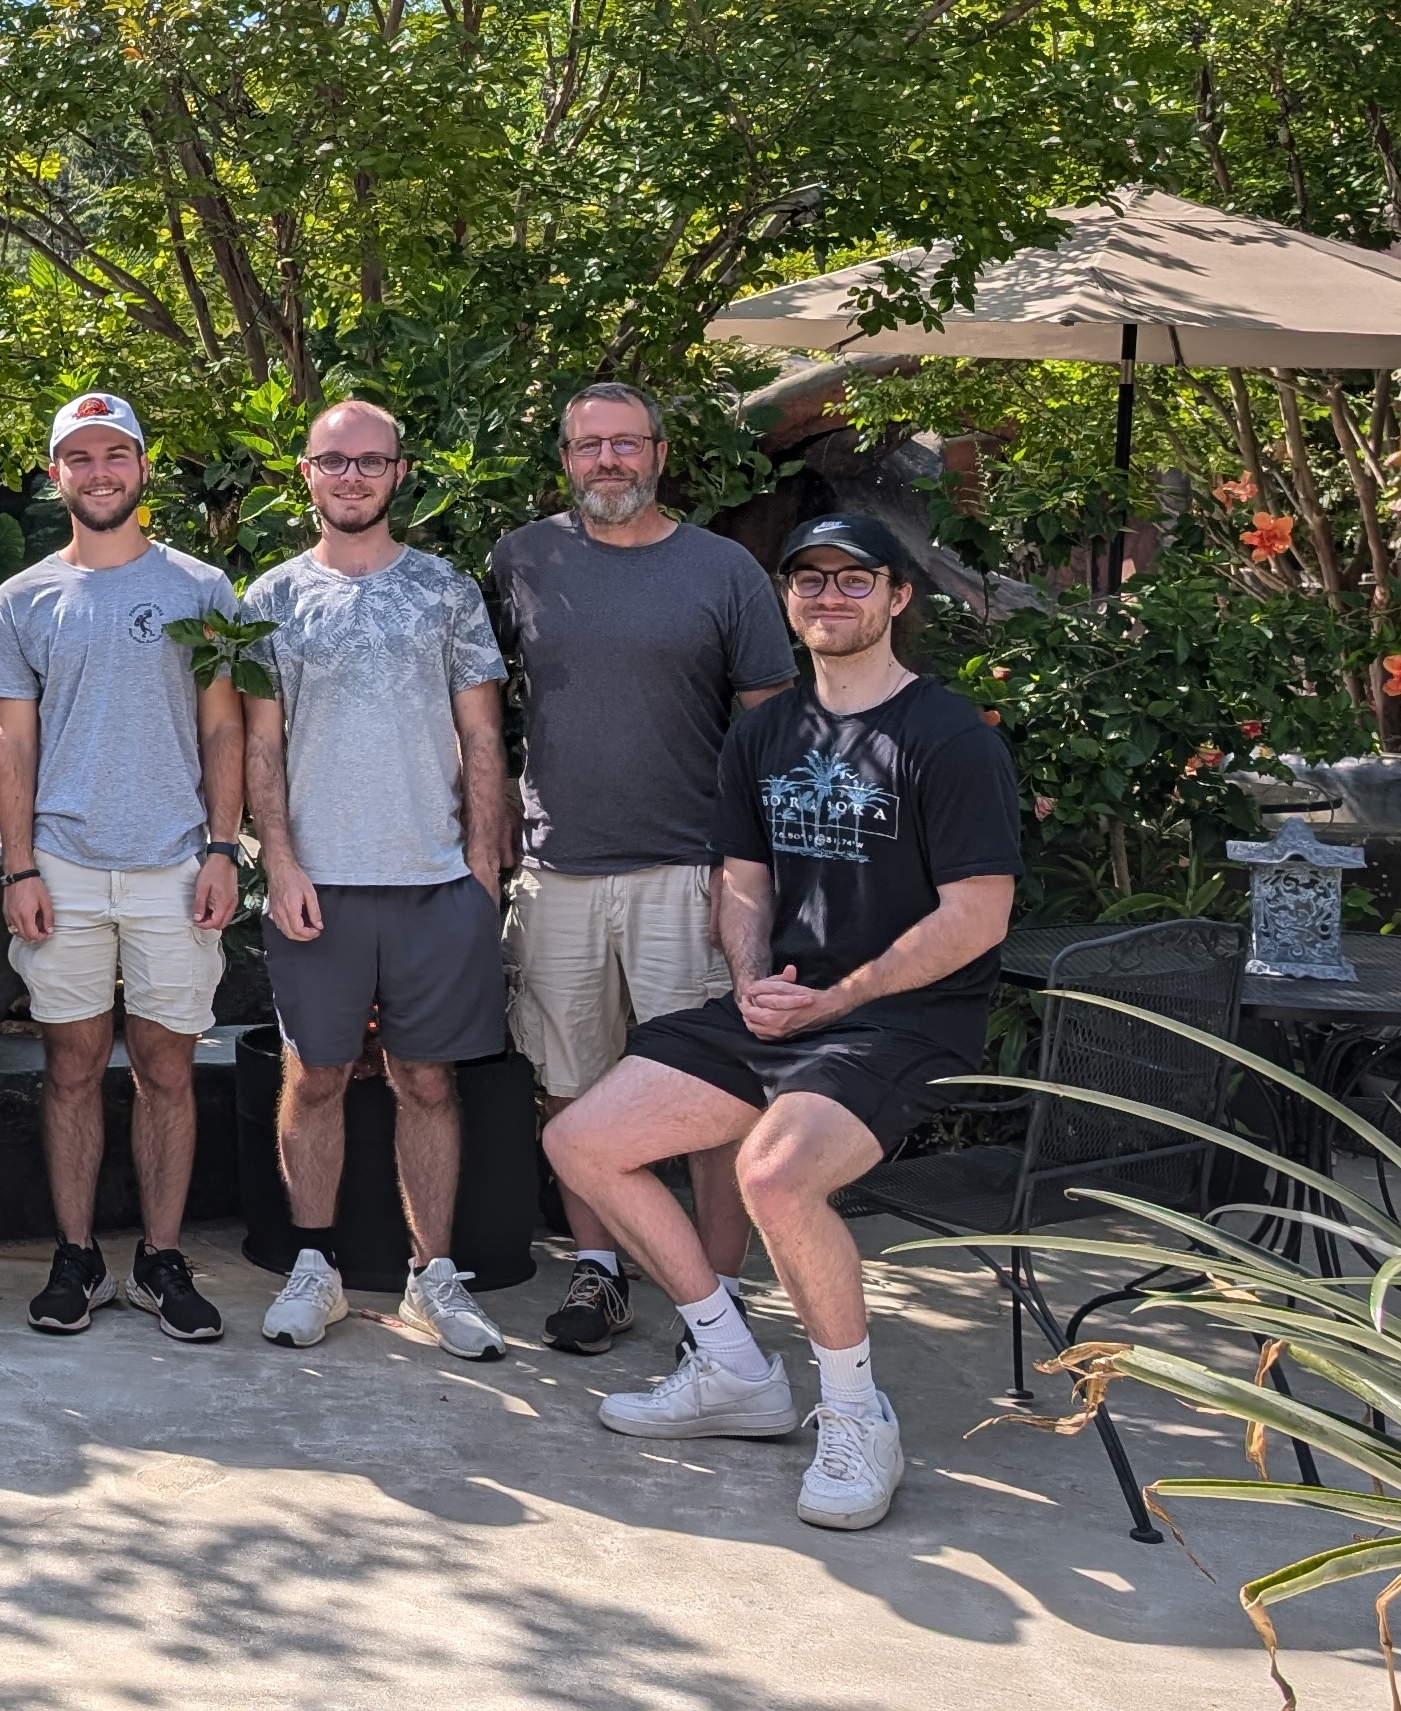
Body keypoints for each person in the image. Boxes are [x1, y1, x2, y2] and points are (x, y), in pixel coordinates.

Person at [548, 513, 1020, 1535]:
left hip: (902, 1022)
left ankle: (856, 1413)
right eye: (809, 580)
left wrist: (839, 999)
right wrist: (754, 979)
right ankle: (731, 1369)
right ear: (787, 599)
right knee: (582, 1140)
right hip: (783, 1008)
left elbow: (979, 915)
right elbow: (744, 879)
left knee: (772, 1173)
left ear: (899, 598)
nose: (829, 597)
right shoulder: (766, 730)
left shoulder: (946, 737)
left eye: (856, 581)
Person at [494, 379, 797, 1354]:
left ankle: (719, 1296)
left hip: (688, 875)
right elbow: (479, 705)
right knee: (572, 1085)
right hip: (558, 874)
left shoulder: (725, 571)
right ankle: (600, 1272)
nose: (609, 461)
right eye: (590, 446)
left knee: (709, 1097)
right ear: (566, 460)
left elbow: (775, 730)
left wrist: (757, 869)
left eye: (628, 444)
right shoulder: (522, 560)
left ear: (661, 455)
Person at [244, 398, 513, 1360]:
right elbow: (259, 747)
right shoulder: (267, 599)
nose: (351, 476)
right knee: (313, 1076)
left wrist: (482, 869)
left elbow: (483, 735)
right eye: (332, 461)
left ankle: (432, 1277)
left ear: (400, 472)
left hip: (435, 880)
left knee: (428, 1081)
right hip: (317, 881)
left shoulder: (445, 591)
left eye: (370, 461)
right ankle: (313, 1268)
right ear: (306, 473)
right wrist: (276, 861)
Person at [0, 389, 245, 1344]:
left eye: (115, 455)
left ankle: (162, 1261)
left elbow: (224, 725)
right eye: (79, 458)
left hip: (180, 863)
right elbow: (11, 743)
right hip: (65, 864)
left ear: (143, 466)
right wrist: (18, 867)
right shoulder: (22, 599)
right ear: (57, 475)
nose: (98, 473)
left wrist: (224, 847)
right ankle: (78, 1255)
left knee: (169, 1070)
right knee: (72, 1067)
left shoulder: (202, 590)